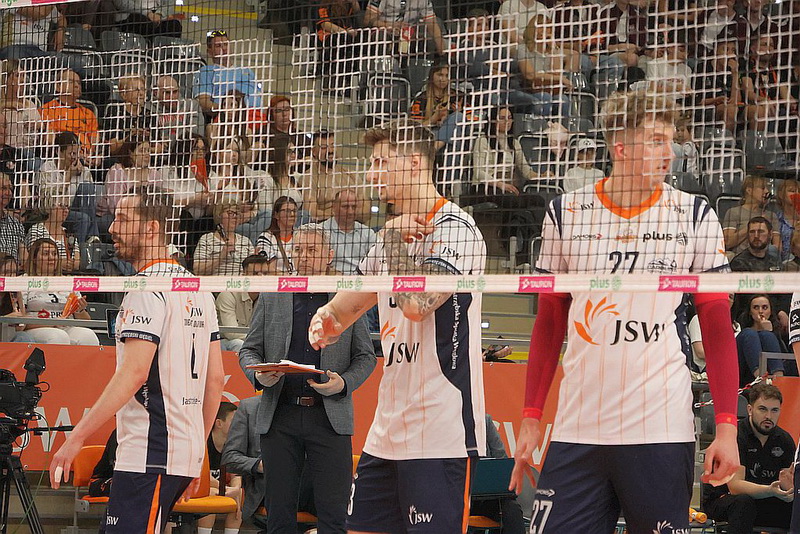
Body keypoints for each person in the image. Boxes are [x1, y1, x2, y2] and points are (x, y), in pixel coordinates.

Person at [511, 89, 739, 533]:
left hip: (660, 428)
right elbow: (550, 320)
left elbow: (716, 326)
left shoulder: (694, 215)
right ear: (621, 147)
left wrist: (727, 428)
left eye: (670, 140)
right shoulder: (566, 213)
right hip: (579, 427)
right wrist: (531, 416)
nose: (669, 153)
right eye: (655, 140)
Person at [308, 120, 488, 533]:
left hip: (440, 430)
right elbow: (346, 309)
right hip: (387, 431)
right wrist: (326, 318)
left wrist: (390, 238)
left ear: (413, 163)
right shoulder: (390, 235)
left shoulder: (456, 230)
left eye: (380, 162)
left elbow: (416, 306)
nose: (371, 173)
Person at [50, 185, 225, 534]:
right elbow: (216, 380)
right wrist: (196, 455)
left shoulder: (146, 288)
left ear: (151, 229)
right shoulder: (197, 288)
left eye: (124, 218)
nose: (113, 227)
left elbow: (134, 373)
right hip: (178, 456)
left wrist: (77, 437)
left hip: (150, 454)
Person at [238, 223, 376, 534]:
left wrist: (343, 383)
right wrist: (260, 375)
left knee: (334, 516)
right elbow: (248, 350)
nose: (304, 256)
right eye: (298, 250)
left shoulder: (346, 298)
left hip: (329, 418)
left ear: (329, 255)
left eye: (312, 250)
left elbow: (366, 357)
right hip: (280, 414)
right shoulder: (273, 295)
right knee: (279, 517)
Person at [703, 383, 794, 533]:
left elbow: (786, 482)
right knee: (743, 502)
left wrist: (789, 488)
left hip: (764, 499)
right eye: (762, 409)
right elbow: (735, 487)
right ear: (750, 410)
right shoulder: (736, 436)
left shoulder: (785, 440)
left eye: (774, 410)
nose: (768, 416)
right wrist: (770, 491)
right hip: (724, 499)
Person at [221, 396, 318, 533]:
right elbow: (229, 458)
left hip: (307, 484)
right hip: (267, 485)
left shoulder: (312, 406)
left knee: (328, 476)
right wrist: (260, 465)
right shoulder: (249, 408)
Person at [19, 237, 99, 345]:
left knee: (88, 336)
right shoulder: (24, 281)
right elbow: (20, 321)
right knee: (58, 337)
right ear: (34, 258)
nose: (51, 257)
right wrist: (51, 323)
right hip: (37, 327)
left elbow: (86, 321)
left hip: (66, 326)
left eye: (54, 254)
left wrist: (80, 310)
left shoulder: (67, 282)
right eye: (46, 254)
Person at [469, 414, 526, 534]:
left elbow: (501, 458)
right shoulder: (448, 424)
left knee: (512, 509)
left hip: (489, 499)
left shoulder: (485, 421)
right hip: (459, 498)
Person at [215, 254, 275, 352]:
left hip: (255, 343)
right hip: (224, 343)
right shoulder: (228, 295)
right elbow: (231, 334)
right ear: (243, 277)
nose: (261, 278)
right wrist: (260, 341)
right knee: (238, 344)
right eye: (255, 274)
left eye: (265, 273)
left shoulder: (269, 297)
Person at [194, 30, 262, 115]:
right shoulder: (206, 71)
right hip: (228, 118)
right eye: (218, 46)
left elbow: (260, 97)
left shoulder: (247, 71)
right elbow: (203, 102)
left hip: (257, 116)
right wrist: (225, 111)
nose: (224, 48)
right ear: (209, 52)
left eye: (226, 44)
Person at [199, 401, 241, 534]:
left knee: (239, 494)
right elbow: (201, 476)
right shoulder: (203, 442)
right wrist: (224, 488)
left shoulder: (233, 444)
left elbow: (236, 474)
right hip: (200, 487)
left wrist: (235, 489)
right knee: (211, 493)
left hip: (221, 487)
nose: (238, 425)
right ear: (219, 423)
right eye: (234, 421)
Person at [305, 130, 366, 222]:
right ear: (314, 151)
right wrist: (341, 215)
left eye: (332, 146)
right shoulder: (308, 178)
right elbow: (311, 212)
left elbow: (366, 210)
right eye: (324, 147)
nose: (330, 151)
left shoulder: (351, 175)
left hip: (354, 227)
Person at [40, 69, 99, 156]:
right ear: (58, 86)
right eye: (71, 82)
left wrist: (92, 156)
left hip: (86, 156)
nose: (76, 86)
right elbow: (50, 139)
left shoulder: (88, 113)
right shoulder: (46, 110)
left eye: (79, 83)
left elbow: (94, 142)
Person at [408, 63, 466, 151]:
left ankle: (434, 148)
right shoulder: (421, 98)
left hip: (457, 134)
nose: (443, 79)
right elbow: (415, 129)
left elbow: (472, 123)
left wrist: (460, 111)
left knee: (458, 117)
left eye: (447, 76)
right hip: (431, 135)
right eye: (440, 75)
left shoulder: (458, 97)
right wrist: (434, 118)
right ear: (432, 76)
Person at [736, 294, 789, 384]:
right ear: (750, 312)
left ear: (770, 311)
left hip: (771, 375)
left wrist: (770, 331)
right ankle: (761, 380)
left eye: (764, 308)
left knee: (767, 335)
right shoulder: (743, 332)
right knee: (749, 333)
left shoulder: (776, 333)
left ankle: (779, 382)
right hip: (743, 374)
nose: (760, 311)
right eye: (756, 308)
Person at [321, 189, 376, 275]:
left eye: (354, 207)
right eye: (345, 207)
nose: (350, 211)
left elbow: (376, 261)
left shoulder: (368, 233)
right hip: (332, 279)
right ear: (334, 207)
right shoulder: (321, 231)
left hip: (362, 279)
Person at [722, 175, 781, 255]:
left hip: (766, 258)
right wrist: (753, 226)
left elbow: (778, 246)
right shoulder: (734, 212)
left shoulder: (771, 215)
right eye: (762, 188)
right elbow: (728, 243)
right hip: (740, 258)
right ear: (749, 190)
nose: (767, 191)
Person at [193, 202, 254, 276]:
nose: (235, 217)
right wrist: (221, 256)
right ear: (219, 215)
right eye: (230, 213)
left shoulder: (246, 241)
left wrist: (255, 261)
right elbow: (197, 270)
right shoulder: (206, 239)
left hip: (242, 282)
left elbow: (252, 270)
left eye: (237, 214)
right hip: (217, 281)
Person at [364, 0, 445, 56]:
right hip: (383, 31)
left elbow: (433, 25)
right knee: (380, 37)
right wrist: (390, 25)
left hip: (407, 35)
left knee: (425, 42)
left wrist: (443, 52)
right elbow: (368, 20)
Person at [104, 75, 154, 157]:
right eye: (136, 90)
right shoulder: (115, 113)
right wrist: (130, 138)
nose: (141, 93)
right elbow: (112, 148)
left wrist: (142, 149)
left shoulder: (150, 115)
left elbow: (160, 147)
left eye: (143, 90)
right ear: (123, 94)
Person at [0, 59, 44, 151]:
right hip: (7, 152)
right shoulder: (2, 106)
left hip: (29, 152)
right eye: (17, 76)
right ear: (6, 79)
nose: (22, 80)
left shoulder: (30, 104)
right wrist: (5, 105)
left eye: (23, 76)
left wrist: (38, 125)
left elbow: (41, 127)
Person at [152, 75, 205, 148]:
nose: (172, 97)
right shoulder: (150, 109)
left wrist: (170, 139)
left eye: (175, 92)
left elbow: (196, 133)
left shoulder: (191, 106)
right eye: (167, 93)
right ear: (156, 93)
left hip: (186, 149)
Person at [255, 196, 297, 274]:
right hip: (277, 279)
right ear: (276, 215)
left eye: (294, 211)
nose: (292, 214)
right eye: (287, 211)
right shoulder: (266, 237)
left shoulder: (301, 236)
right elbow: (270, 268)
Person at [111, 0, 183, 39]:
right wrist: (147, 13)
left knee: (174, 25)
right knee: (139, 20)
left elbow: (171, 3)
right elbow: (121, 3)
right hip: (133, 14)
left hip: (158, 16)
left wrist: (159, 14)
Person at [0, 172, 24, 260]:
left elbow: (24, 255)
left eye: (10, 189)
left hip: (14, 268)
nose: (9, 193)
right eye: (3, 188)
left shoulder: (15, 223)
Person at [774, 178, 799, 261]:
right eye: (792, 191)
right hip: (783, 263)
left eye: (799, 191)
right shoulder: (775, 219)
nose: (797, 194)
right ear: (781, 195)